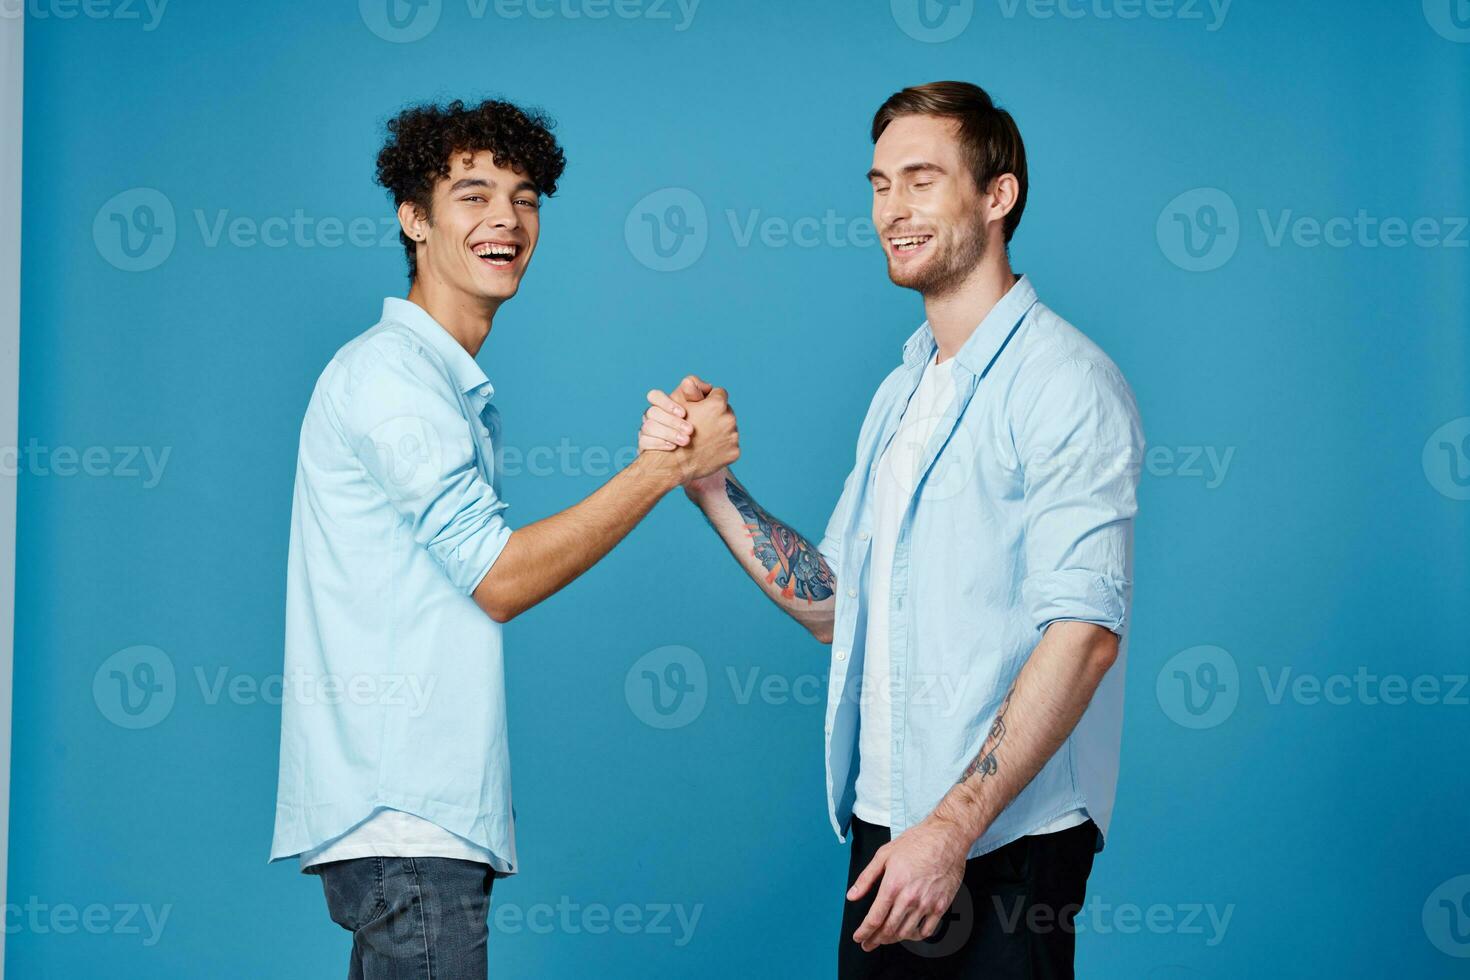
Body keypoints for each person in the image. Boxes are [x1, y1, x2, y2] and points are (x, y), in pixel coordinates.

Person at [639, 81, 1144, 979]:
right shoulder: (902, 392)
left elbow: (1086, 635)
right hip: (887, 828)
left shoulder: (1066, 381)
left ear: (999, 195)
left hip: (1003, 842)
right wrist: (711, 487)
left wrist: (950, 832)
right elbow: (837, 603)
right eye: (878, 184)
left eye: (920, 179)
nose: (891, 210)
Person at [269, 97, 738, 979]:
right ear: (413, 217)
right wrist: (664, 469)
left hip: (414, 828)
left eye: (525, 199)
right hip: (407, 824)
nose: (506, 220)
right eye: (473, 195)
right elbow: (499, 577)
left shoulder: (439, 382)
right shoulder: (393, 377)